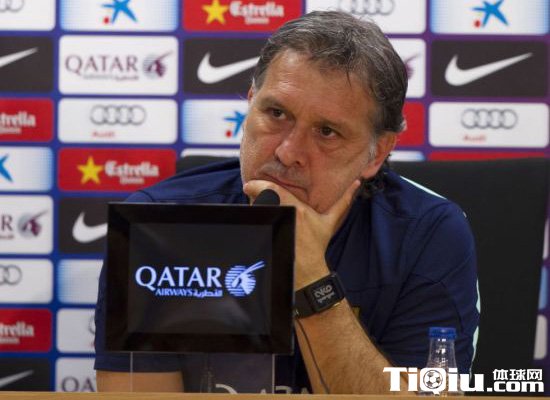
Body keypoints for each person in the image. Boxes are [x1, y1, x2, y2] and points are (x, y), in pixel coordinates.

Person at [94, 11, 479, 394]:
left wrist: (311, 278)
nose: (288, 151)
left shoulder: (428, 235)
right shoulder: (157, 227)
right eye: (276, 113)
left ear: (377, 152)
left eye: (326, 132)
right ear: (250, 103)